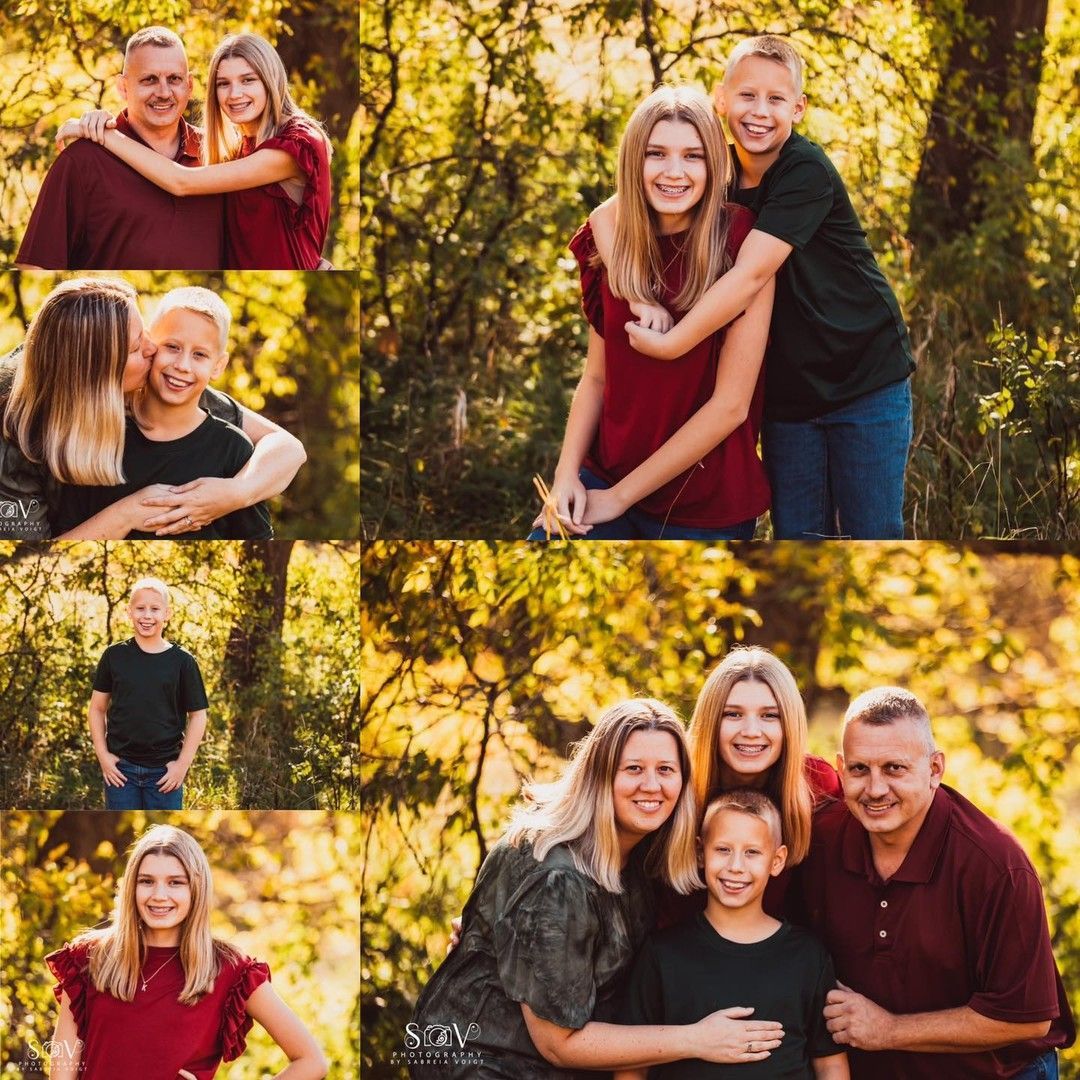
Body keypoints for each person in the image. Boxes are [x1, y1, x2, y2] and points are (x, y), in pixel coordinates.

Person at [590, 36, 915, 540]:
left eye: (776, 99)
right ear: (721, 100)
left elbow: (751, 275)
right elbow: (605, 216)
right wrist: (639, 297)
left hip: (863, 378)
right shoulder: (712, 167)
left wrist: (675, 342)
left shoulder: (804, 170)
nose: (759, 112)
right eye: (746, 96)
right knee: (800, 539)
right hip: (787, 393)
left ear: (799, 109)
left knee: (872, 534)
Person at [410, 699, 785, 1078]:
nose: (651, 785)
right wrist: (696, 1039)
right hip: (487, 1065)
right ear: (600, 774)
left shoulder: (642, 851)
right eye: (633, 769)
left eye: (666, 770)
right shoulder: (558, 879)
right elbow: (559, 1044)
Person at [528, 85, 773, 541]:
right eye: (655, 153)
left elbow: (731, 406)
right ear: (633, 162)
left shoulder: (743, 243)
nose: (673, 172)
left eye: (693, 156)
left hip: (703, 502)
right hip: (604, 474)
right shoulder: (611, 246)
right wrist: (566, 477)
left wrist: (619, 497)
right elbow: (597, 379)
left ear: (714, 163)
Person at [798, 687, 1075, 1079]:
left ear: (934, 769)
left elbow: (1026, 1020)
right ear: (840, 770)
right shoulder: (819, 841)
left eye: (894, 768)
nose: (875, 789)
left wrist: (889, 1030)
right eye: (860, 769)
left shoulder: (996, 867)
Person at [0, 278, 304, 540]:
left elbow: (288, 448)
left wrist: (235, 493)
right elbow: (33, 556)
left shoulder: (167, 390)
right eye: (135, 348)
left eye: (144, 332)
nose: (152, 348)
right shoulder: (15, 434)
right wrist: (128, 513)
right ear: (99, 375)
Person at [46, 824, 328, 1080]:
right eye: (146, 881)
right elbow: (61, 1074)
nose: (158, 895)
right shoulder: (86, 960)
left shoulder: (229, 969)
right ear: (132, 887)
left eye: (175, 882)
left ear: (196, 889)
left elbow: (311, 1061)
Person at [617, 791, 848, 1079]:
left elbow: (830, 1064)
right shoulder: (662, 954)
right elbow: (632, 1069)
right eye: (723, 850)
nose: (735, 866)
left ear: (776, 861)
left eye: (752, 852)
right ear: (701, 853)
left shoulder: (807, 955)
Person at [56, 33, 332, 270]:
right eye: (224, 83)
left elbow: (181, 181)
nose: (235, 94)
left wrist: (104, 133)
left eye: (248, 80)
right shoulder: (236, 149)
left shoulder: (299, 143)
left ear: (271, 80)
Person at [16, 27, 225, 270]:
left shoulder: (219, 153)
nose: (164, 92)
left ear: (189, 85)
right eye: (149, 80)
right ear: (123, 87)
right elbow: (35, 267)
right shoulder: (81, 161)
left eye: (174, 79)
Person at [89, 579, 207, 811]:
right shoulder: (114, 656)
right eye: (140, 608)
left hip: (164, 773)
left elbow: (198, 715)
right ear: (129, 612)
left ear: (167, 614)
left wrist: (182, 765)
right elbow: (97, 708)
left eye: (155, 609)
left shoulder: (183, 662)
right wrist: (103, 756)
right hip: (121, 771)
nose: (147, 616)